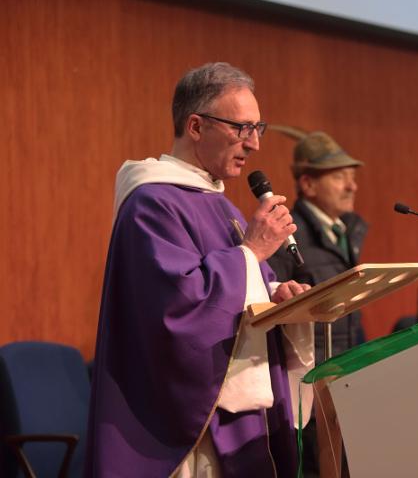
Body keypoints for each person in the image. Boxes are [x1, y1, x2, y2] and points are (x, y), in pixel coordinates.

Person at [85, 63, 314, 477]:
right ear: (195, 126)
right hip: (190, 432)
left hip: (238, 421)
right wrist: (251, 252)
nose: (255, 144)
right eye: (243, 129)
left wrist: (277, 295)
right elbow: (176, 313)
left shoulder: (222, 205)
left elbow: (238, 286)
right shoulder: (151, 203)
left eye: (258, 128)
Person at [267, 125, 367, 477]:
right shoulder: (286, 237)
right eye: (339, 177)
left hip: (347, 379)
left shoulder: (347, 231)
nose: (352, 186)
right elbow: (277, 313)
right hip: (311, 391)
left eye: (352, 177)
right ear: (308, 184)